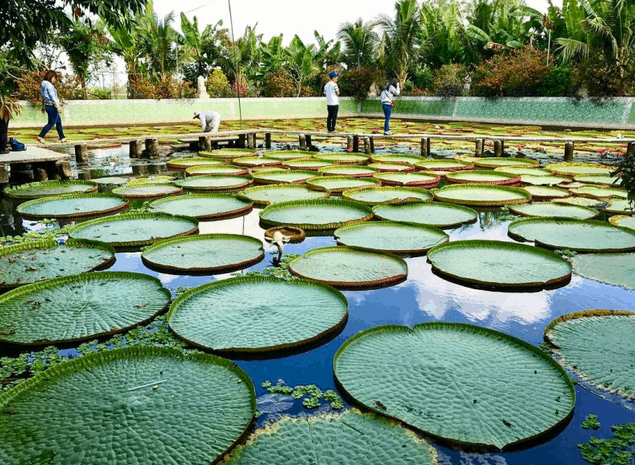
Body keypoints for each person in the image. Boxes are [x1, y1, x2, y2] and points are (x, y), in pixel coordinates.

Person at [36, 71, 66, 143]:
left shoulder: (43, 84)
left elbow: (43, 97)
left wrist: (43, 106)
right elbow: (53, 97)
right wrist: (58, 107)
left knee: (58, 121)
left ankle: (62, 137)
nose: (55, 80)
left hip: (47, 105)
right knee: (51, 123)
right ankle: (41, 136)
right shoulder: (49, 85)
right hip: (52, 106)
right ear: (51, 77)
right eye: (55, 78)